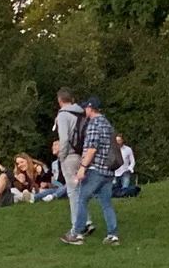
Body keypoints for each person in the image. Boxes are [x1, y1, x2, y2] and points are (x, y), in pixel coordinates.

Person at [63, 97, 123, 246]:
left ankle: (76, 233)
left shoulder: (93, 125)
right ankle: (112, 235)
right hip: (109, 170)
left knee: (81, 199)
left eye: (86, 108)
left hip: (95, 169)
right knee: (106, 203)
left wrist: (82, 168)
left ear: (90, 108)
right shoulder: (107, 124)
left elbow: (92, 149)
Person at [52, 88, 86, 228]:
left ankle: (77, 226)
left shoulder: (63, 115)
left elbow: (64, 138)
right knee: (80, 190)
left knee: (73, 191)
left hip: (70, 155)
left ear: (60, 101)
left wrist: (62, 155)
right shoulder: (82, 113)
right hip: (83, 155)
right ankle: (87, 221)